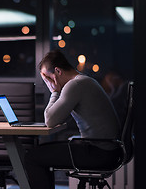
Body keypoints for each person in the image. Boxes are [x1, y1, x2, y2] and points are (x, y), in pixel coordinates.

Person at [24, 50, 121, 189]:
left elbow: (50, 120)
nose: (48, 84)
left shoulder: (75, 85)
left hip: (98, 152)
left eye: (47, 79)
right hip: (107, 149)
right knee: (40, 152)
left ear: (57, 71)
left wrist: (55, 92)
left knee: (32, 157)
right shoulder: (83, 81)